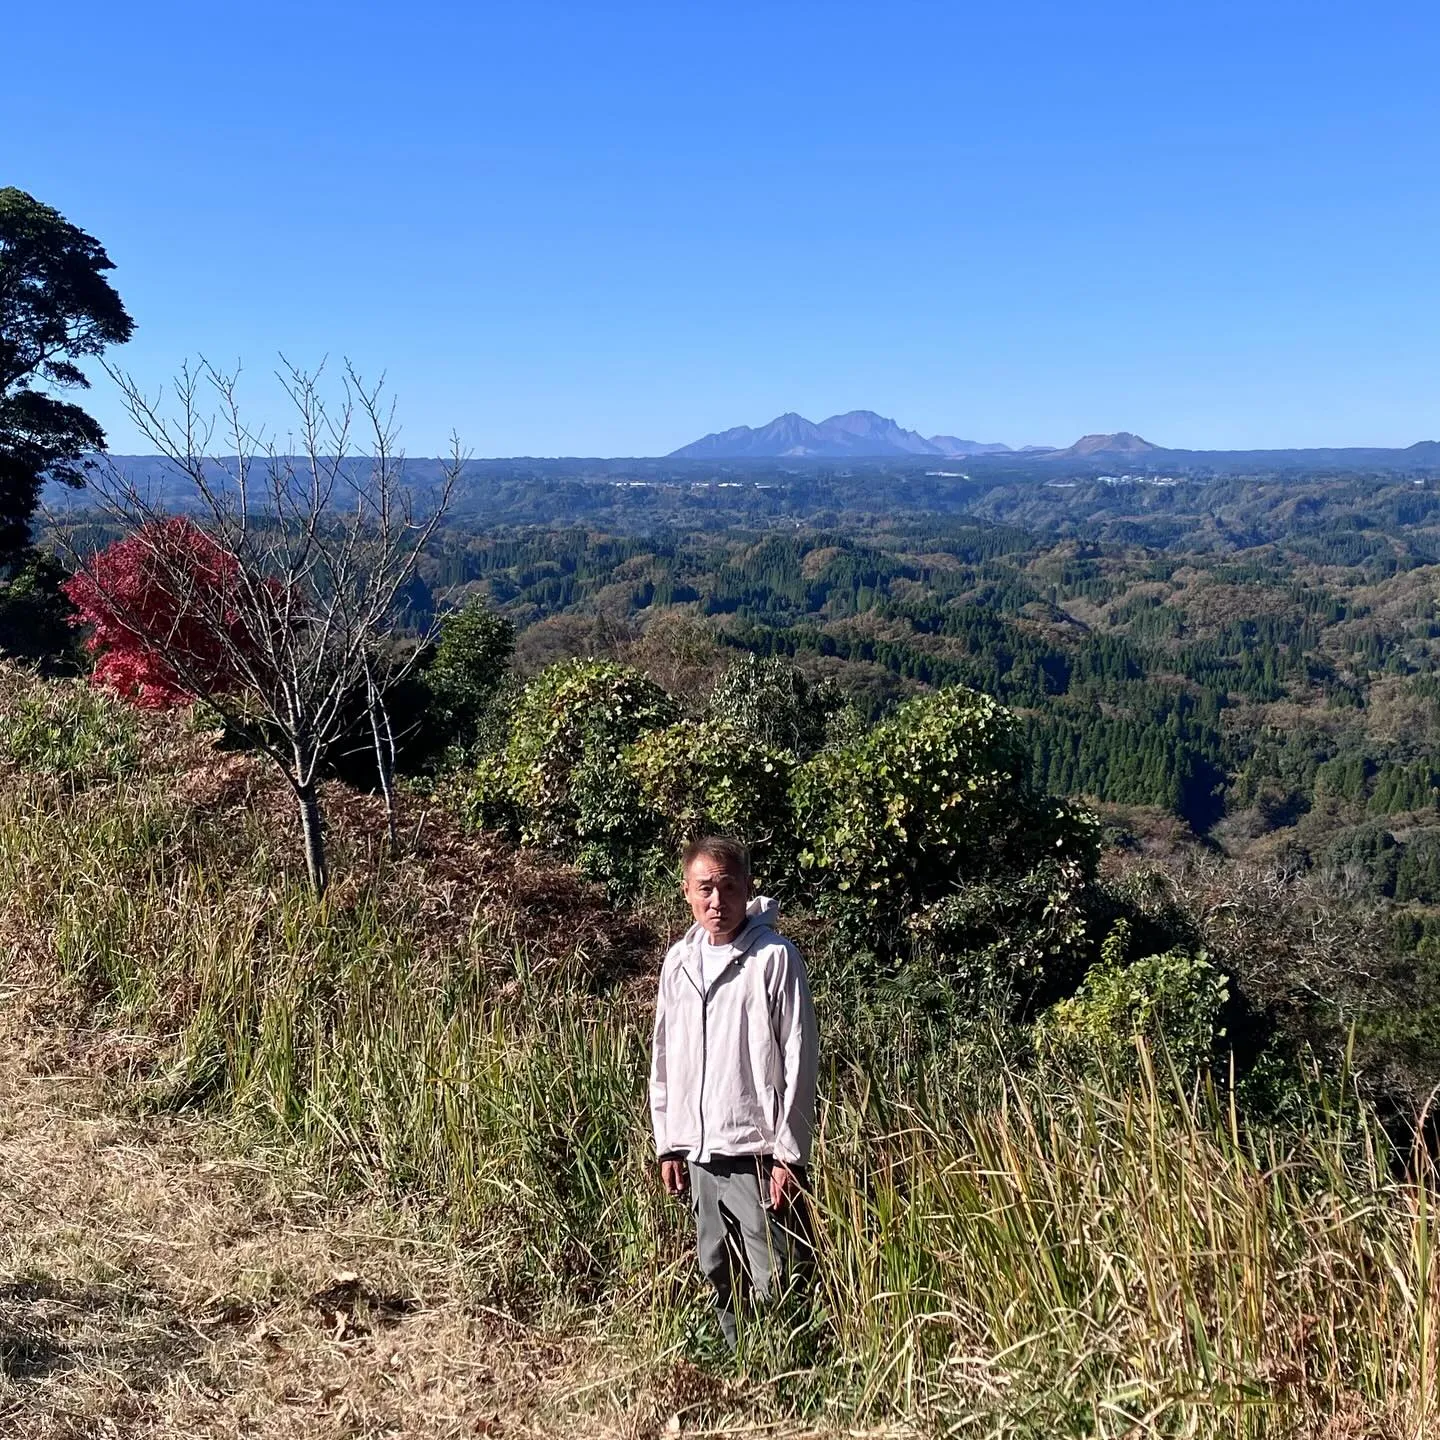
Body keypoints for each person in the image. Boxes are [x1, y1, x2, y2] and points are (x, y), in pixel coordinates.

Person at [649, 834, 819, 1348]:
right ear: (686, 892)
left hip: (758, 1153)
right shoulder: (680, 962)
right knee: (718, 1270)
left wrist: (790, 1156)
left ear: (747, 886)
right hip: (700, 1154)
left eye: (727, 886)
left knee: (779, 1276)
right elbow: (665, 1055)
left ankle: (791, 1370)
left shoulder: (774, 957)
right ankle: (736, 1365)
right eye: (705, 888)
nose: (716, 900)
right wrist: (669, 1142)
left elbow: (800, 1057)